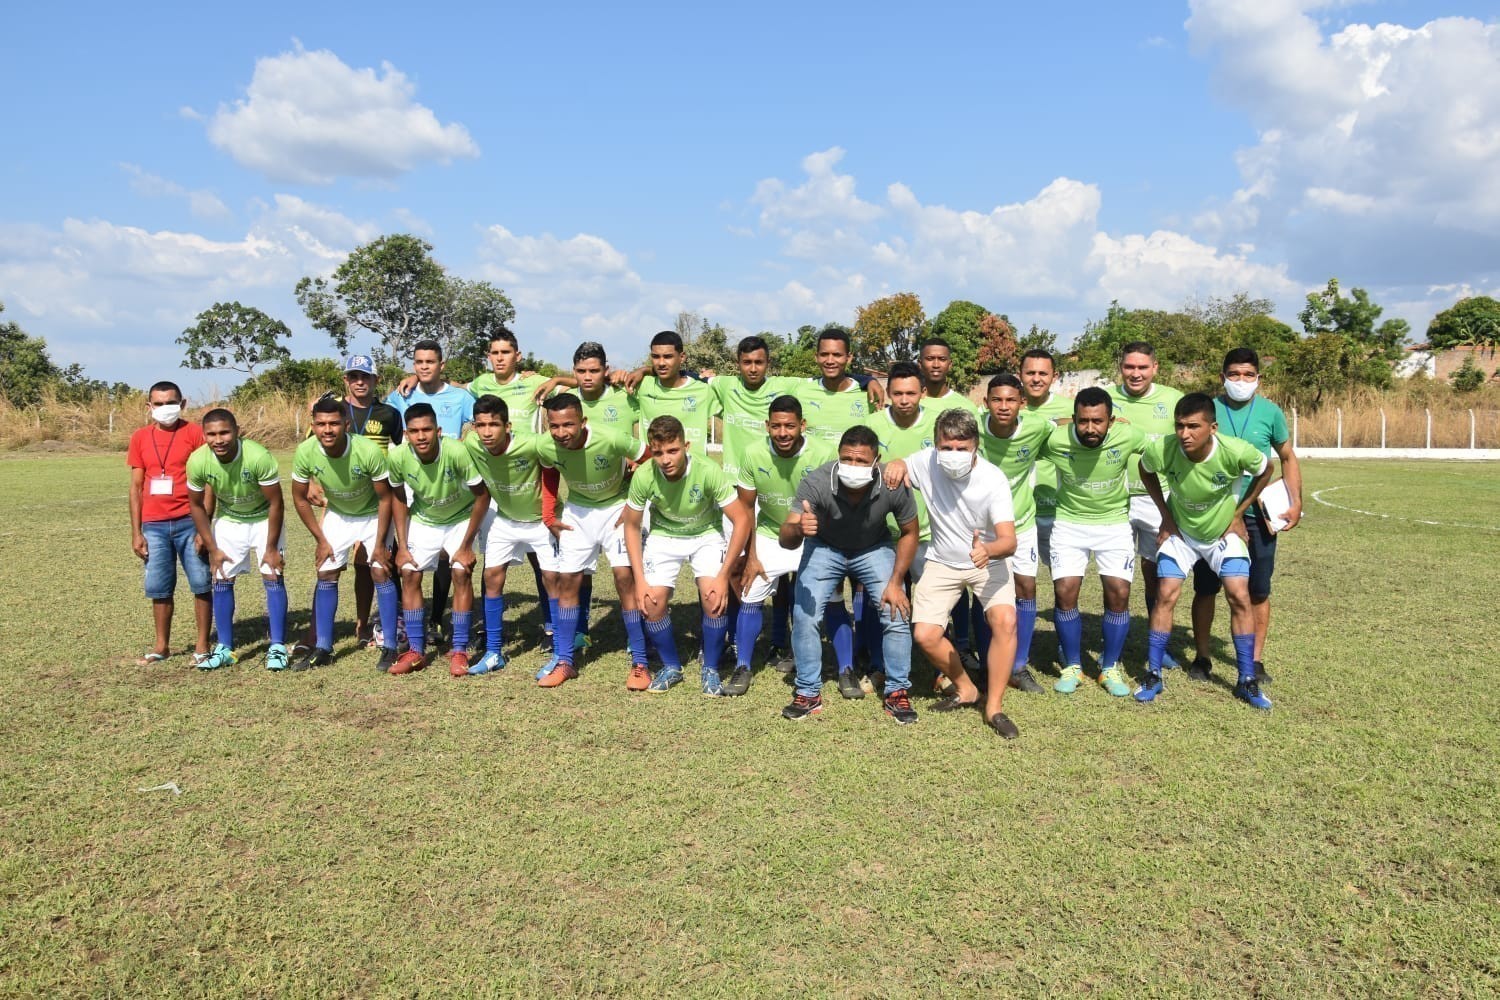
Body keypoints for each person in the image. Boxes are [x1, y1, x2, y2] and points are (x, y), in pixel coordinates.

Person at [883, 409, 1021, 738]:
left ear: (976, 446)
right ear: (936, 445)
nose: (953, 455)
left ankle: (994, 707)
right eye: (947, 447)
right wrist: (898, 462)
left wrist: (988, 549)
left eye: (962, 448)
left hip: (988, 560)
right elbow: (900, 465)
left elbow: (1009, 541)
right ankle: (966, 688)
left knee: (1005, 621)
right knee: (925, 635)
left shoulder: (993, 479)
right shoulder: (926, 461)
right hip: (943, 560)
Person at [1135, 393, 1275, 709]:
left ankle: (1246, 680)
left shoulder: (1235, 451)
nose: (1184, 434)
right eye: (1179, 426)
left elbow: (1267, 468)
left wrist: (1239, 514)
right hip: (1181, 533)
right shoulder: (1163, 449)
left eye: (1193, 427)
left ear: (1212, 427)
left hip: (1221, 533)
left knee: (1239, 594)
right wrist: (1166, 517)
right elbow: (1145, 470)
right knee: (1166, 593)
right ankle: (1153, 674)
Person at [779, 426, 920, 724]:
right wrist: (798, 529)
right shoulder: (816, 481)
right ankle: (807, 691)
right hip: (825, 547)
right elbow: (786, 537)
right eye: (847, 459)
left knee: (895, 610)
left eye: (861, 461)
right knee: (805, 615)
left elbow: (909, 532)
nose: (853, 467)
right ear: (838, 456)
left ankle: (897, 692)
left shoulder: (893, 483)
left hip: (873, 547)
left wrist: (896, 582)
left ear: (876, 460)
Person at [1190, 348, 1304, 684]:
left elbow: (1287, 456)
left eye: (1248, 375)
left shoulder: (1270, 412)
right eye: (1234, 375)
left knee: (1258, 589)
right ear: (1222, 376)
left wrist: (1295, 500)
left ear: (1258, 378)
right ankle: (1202, 656)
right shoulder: (1208, 409)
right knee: (1207, 587)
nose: (1241, 381)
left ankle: (1254, 660)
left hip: (1259, 515)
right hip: (1213, 514)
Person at [622, 415, 752, 695]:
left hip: (705, 534)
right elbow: (631, 526)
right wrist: (640, 579)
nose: (666, 459)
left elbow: (741, 520)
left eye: (673, 450)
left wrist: (723, 575)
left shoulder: (707, 470)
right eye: (658, 453)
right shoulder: (644, 474)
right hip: (664, 537)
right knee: (650, 601)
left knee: (714, 598)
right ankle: (671, 667)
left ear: (686, 446)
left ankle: (711, 668)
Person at [535, 394, 652, 689]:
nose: (561, 433)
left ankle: (640, 662)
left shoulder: (611, 438)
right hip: (578, 511)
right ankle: (565, 661)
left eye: (568, 425)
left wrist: (634, 503)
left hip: (617, 508)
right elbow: (548, 469)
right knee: (568, 581)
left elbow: (650, 459)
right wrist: (548, 513)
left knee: (624, 578)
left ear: (583, 421)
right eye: (555, 426)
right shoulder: (546, 445)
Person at [1040, 387, 1145, 697]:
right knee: (1065, 591)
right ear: (1072, 419)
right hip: (1069, 524)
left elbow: (1165, 448)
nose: (1090, 429)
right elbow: (1025, 432)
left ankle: (1109, 667)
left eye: (1097, 421)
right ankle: (1073, 665)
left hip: (1113, 525)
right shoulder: (1056, 439)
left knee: (1119, 593)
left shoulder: (1128, 436)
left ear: (1111, 421)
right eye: (1083, 421)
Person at [295, 354, 404, 654]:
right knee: (329, 567)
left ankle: (379, 632)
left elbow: (399, 451)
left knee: (376, 566)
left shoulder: (389, 414)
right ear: (345, 379)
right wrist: (314, 485)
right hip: (340, 503)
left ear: (375, 380)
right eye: (353, 376)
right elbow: (311, 454)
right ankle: (320, 640)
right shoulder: (330, 411)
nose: (359, 381)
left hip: (374, 502)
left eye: (365, 376)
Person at [732, 395, 837, 694]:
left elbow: (832, 506)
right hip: (768, 533)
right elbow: (746, 510)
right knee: (751, 592)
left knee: (832, 599)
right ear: (767, 426)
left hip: (813, 534)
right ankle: (742, 665)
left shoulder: (823, 452)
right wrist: (750, 556)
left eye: (790, 426)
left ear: (802, 425)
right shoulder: (752, 453)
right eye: (776, 426)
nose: (782, 433)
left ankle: (845, 669)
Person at [385, 403, 491, 677]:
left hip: (460, 518)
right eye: (415, 431)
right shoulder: (397, 457)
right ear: (406, 434)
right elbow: (397, 498)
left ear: (438, 431)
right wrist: (402, 546)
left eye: (427, 430)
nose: (421, 436)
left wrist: (466, 545)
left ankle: (458, 650)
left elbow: (482, 496)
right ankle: (416, 651)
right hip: (425, 519)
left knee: (460, 572)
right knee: (408, 573)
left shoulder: (456, 451)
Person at [386, 340, 474, 647]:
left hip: (451, 478)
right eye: (419, 362)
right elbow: (386, 427)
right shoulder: (401, 396)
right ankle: (411, 630)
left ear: (441, 365)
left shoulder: (460, 396)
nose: (424, 367)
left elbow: (483, 419)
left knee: (451, 558)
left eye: (430, 362)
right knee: (412, 562)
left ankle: (438, 617)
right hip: (416, 480)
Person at [186, 408, 289, 671]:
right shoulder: (198, 461)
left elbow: (276, 503)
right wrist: (212, 547)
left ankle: (277, 646)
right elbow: (196, 506)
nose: (218, 439)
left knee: (272, 575)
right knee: (221, 578)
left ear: (237, 432)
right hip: (230, 520)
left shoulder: (257, 456)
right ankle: (225, 648)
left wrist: (270, 548)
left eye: (224, 432)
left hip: (264, 518)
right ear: (204, 435)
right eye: (212, 434)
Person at [464, 394, 557, 675]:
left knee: (552, 579)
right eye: (481, 425)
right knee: (491, 576)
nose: (487, 431)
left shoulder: (532, 443)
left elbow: (559, 463)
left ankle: (562, 653)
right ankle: (494, 652)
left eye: (494, 424)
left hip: (539, 522)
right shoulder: (471, 444)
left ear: (508, 425)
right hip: (505, 520)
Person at [1108, 342, 1185, 668]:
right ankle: (1113, 640)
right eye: (1129, 367)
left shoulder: (1173, 399)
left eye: (1142, 367)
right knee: (1115, 577)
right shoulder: (1107, 399)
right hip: (1115, 500)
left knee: (1155, 573)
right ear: (1121, 368)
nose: (1135, 373)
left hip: (1158, 500)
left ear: (1155, 368)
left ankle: (1158, 644)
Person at [977, 373, 1054, 694]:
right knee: (982, 593)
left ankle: (1018, 665)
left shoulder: (1037, 427)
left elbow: (1066, 427)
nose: (1004, 406)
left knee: (1025, 587)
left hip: (1022, 524)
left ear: (1022, 403)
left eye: (1011, 400)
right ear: (986, 402)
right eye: (997, 400)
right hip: (981, 529)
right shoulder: (973, 428)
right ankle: (985, 662)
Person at [127, 381, 213, 667]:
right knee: (159, 587)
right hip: (154, 524)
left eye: (171, 402)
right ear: (149, 406)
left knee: (201, 583)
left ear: (183, 403)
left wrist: (205, 527)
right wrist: (136, 532)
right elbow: (136, 487)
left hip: (190, 521)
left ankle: (202, 645)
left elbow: (209, 480)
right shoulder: (140, 438)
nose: (165, 409)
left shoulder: (196, 434)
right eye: (159, 404)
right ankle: (161, 646)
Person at [1019, 349, 1072, 567]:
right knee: (1017, 581)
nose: (1036, 379)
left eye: (1043, 373)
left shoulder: (1071, 409)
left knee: (1064, 579)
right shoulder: (1007, 405)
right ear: (1019, 374)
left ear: (1054, 376)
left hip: (1059, 509)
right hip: (1018, 511)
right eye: (1030, 373)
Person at [629, 331, 721, 451]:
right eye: (656, 357)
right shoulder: (640, 386)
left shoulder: (703, 391)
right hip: (653, 468)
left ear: (682, 357)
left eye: (668, 357)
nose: (661, 363)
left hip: (692, 469)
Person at [468, 328, 550, 433]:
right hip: (491, 449)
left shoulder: (533, 381)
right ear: (489, 357)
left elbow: (576, 385)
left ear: (518, 356)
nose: (499, 358)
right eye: (495, 353)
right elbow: (456, 386)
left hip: (527, 449)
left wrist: (556, 381)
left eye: (505, 352)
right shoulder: (481, 382)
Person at [917, 337, 982, 419]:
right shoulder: (907, 403)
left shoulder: (966, 408)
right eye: (930, 359)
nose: (936, 365)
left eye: (942, 359)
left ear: (950, 365)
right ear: (919, 364)